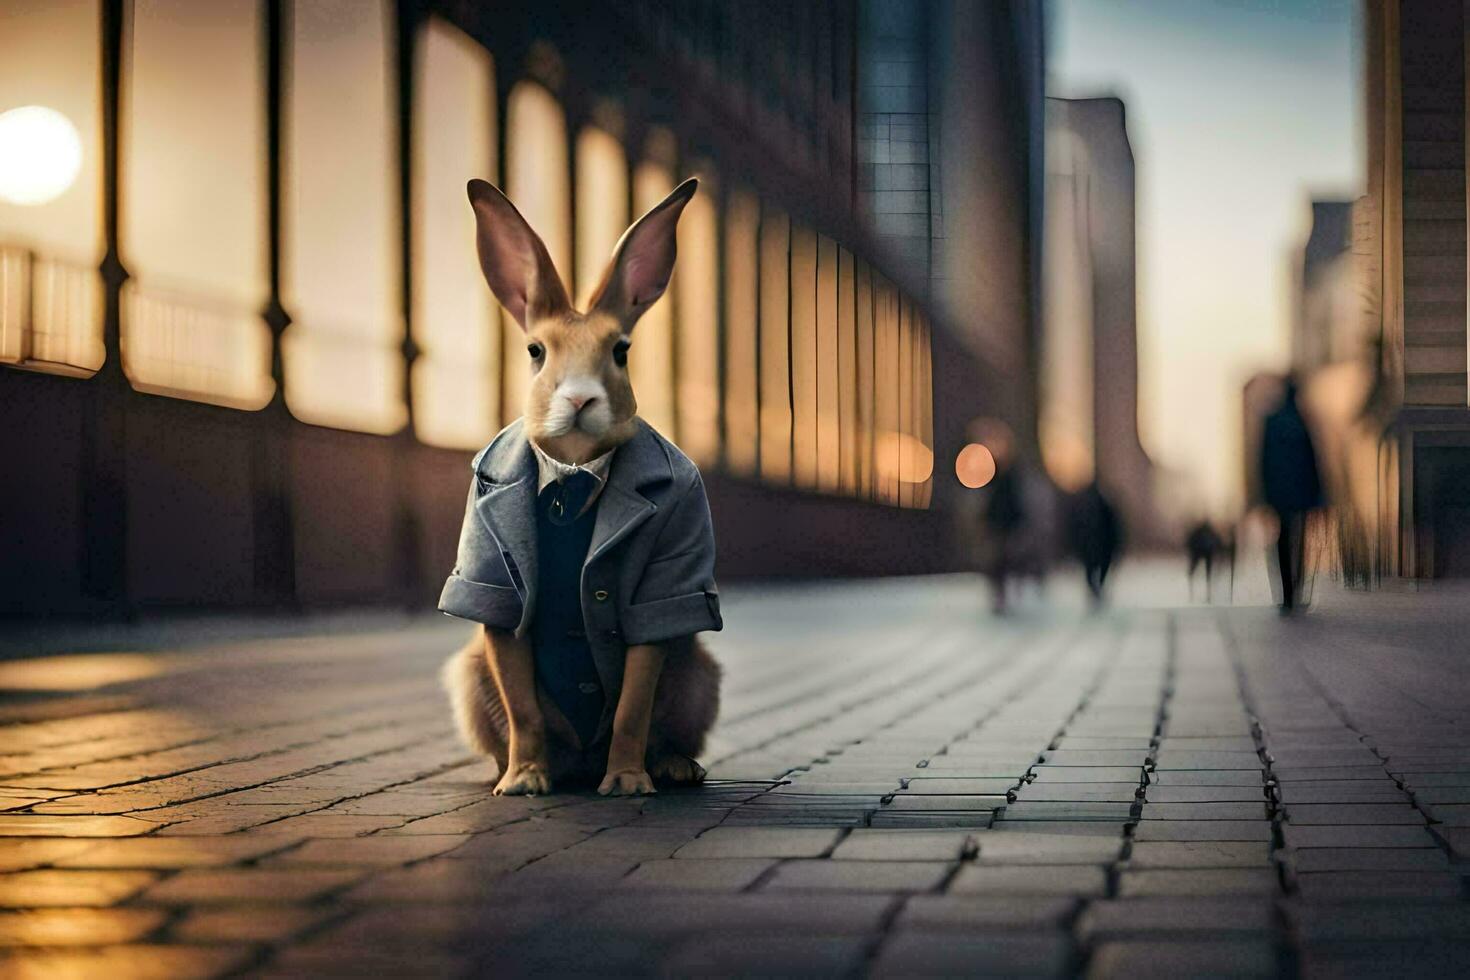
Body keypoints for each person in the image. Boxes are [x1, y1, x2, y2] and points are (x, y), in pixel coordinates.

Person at [1260, 377, 1323, 613]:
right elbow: (1313, 463)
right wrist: (1318, 495)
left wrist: (1264, 494)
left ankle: (1287, 594)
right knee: (1300, 543)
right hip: (1301, 493)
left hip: (1279, 495)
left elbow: (1264, 462)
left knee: (1283, 543)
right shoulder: (1302, 422)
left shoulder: (1272, 422)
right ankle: (1296, 590)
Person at [981, 456, 1026, 614]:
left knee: (1001, 563)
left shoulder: (1004, 485)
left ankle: (1001, 595)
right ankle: (1001, 595)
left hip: (1003, 530)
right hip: (1002, 530)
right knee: (1000, 564)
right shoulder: (1006, 484)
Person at [1067, 482, 1122, 608]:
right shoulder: (1087, 509)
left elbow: (1113, 530)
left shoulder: (1103, 507)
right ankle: (1095, 596)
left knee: (1096, 575)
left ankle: (1097, 595)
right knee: (1092, 575)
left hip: (1100, 549)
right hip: (1093, 549)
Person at [1185, 520, 1224, 600]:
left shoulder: (1200, 532)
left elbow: (1189, 542)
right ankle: (1205, 592)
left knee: (1195, 572)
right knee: (1206, 573)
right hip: (1204, 553)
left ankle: (1196, 591)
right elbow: (1218, 542)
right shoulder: (1208, 532)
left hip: (1201, 553)